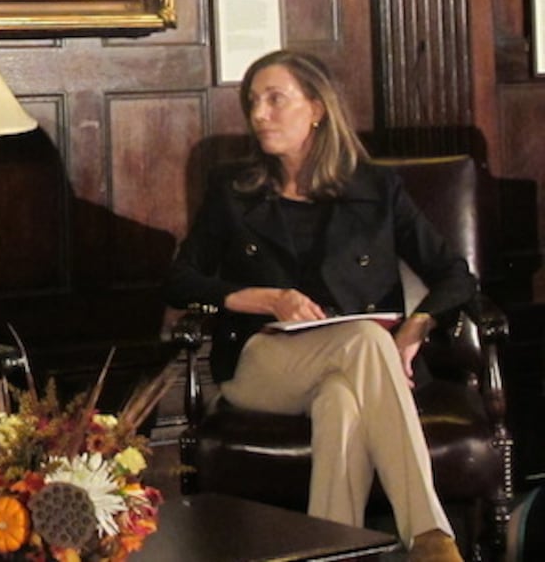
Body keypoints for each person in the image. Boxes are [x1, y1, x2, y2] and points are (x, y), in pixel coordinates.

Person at [164, 49, 475, 562]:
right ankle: (430, 537)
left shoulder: (376, 189)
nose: (259, 113)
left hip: (355, 362)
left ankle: (328, 550)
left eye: (275, 99)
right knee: (368, 341)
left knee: (341, 404)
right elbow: (178, 281)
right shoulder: (234, 191)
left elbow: (454, 275)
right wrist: (267, 298)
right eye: (253, 102)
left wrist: (414, 330)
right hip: (263, 361)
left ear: (316, 108)